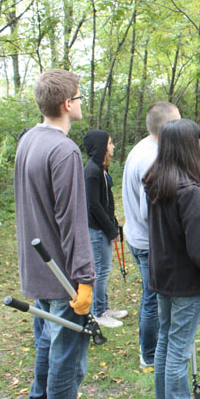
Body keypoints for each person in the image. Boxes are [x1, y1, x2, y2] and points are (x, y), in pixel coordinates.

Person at [14, 69, 101, 399]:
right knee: (67, 360)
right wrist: (85, 278)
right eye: (79, 97)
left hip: (37, 270)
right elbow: (73, 221)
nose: (81, 102)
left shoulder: (29, 140)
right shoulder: (64, 150)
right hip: (63, 277)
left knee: (47, 347)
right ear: (67, 104)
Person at [142, 119, 200, 399]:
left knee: (166, 342)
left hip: (161, 276)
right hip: (184, 281)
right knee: (177, 348)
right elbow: (198, 249)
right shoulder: (187, 191)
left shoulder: (156, 181)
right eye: (198, 143)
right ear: (189, 148)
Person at [122, 102, 181, 367]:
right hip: (147, 242)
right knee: (152, 299)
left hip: (136, 236)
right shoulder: (152, 158)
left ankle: (151, 350)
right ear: (168, 127)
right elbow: (152, 213)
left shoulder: (145, 146)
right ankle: (150, 355)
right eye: (178, 121)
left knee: (151, 296)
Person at [83, 130, 127, 328]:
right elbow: (93, 205)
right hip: (96, 230)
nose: (113, 146)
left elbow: (107, 202)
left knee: (104, 269)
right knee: (100, 270)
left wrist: (114, 224)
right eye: (110, 143)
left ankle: (103, 306)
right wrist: (110, 230)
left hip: (104, 227)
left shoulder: (101, 169)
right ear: (101, 146)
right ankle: (98, 312)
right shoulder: (91, 171)